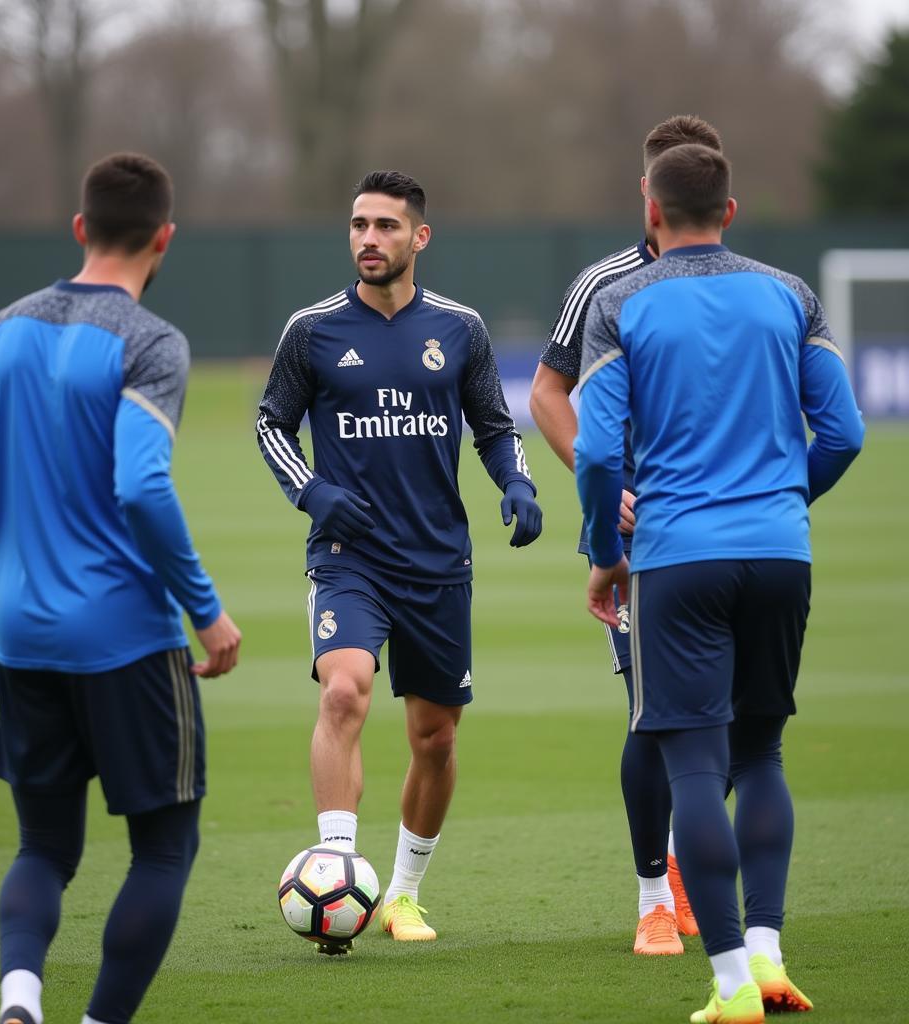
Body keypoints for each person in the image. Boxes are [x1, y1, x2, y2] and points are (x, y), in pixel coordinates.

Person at [0, 153, 242, 1024]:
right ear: (165, 238)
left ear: (79, 229)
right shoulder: (151, 342)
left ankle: (20, 1000)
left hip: (23, 638)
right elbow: (142, 487)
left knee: (44, 847)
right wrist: (206, 612)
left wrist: (0, 561)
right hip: (126, 638)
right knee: (164, 849)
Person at [575, 143, 864, 1023]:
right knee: (763, 753)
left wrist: (604, 549)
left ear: (650, 212)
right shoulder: (789, 293)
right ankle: (772, 961)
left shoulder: (623, 301)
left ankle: (733, 983)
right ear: (730, 212)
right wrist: (782, 501)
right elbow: (844, 432)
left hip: (676, 556)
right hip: (781, 552)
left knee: (695, 766)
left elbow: (593, 451)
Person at [257, 170, 542, 946]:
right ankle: (338, 873)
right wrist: (313, 494)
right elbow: (271, 425)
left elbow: (493, 422)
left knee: (436, 739)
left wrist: (515, 481)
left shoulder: (460, 328)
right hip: (348, 557)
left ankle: (404, 895)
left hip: (438, 561)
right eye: (357, 225)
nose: (368, 240)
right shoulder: (310, 329)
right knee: (344, 692)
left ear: (419, 237)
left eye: (385, 226)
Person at [529, 114, 723, 954]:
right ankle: (653, 895)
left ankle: (687, 877)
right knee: (653, 715)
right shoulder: (605, 285)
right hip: (638, 534)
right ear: (647, 196)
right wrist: (602, 490)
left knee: (715, 719)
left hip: (721, 527)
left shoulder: (737, 282)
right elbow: (545, 394)